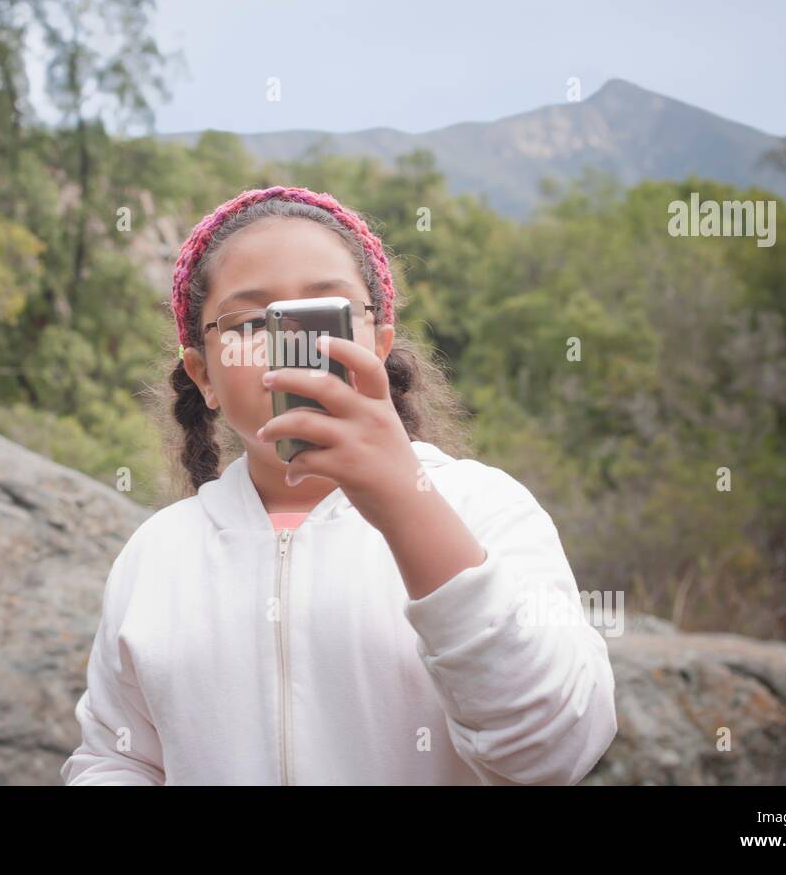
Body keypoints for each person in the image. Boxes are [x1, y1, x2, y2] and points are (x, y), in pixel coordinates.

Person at [60, 185, 617, 785]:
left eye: (322, 314)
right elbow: (117, 757)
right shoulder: (157, 552)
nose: (292, 346)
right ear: (204, 377)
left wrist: (405, 500)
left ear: (378, 343)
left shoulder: (486, 508)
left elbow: (554, 749)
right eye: (252, 321)